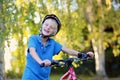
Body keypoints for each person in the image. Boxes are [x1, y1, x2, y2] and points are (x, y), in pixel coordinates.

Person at [22, 14, 94, 80]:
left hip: (44, 78)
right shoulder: (33, 39)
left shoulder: (52, 43)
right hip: (30, 77)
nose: (48, 28)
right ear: (42, 25)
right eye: (46, 25)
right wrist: (41, 62)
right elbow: (32, 51)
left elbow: (67, 50)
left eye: (51, 27)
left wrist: (83, 55)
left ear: (54, 32)